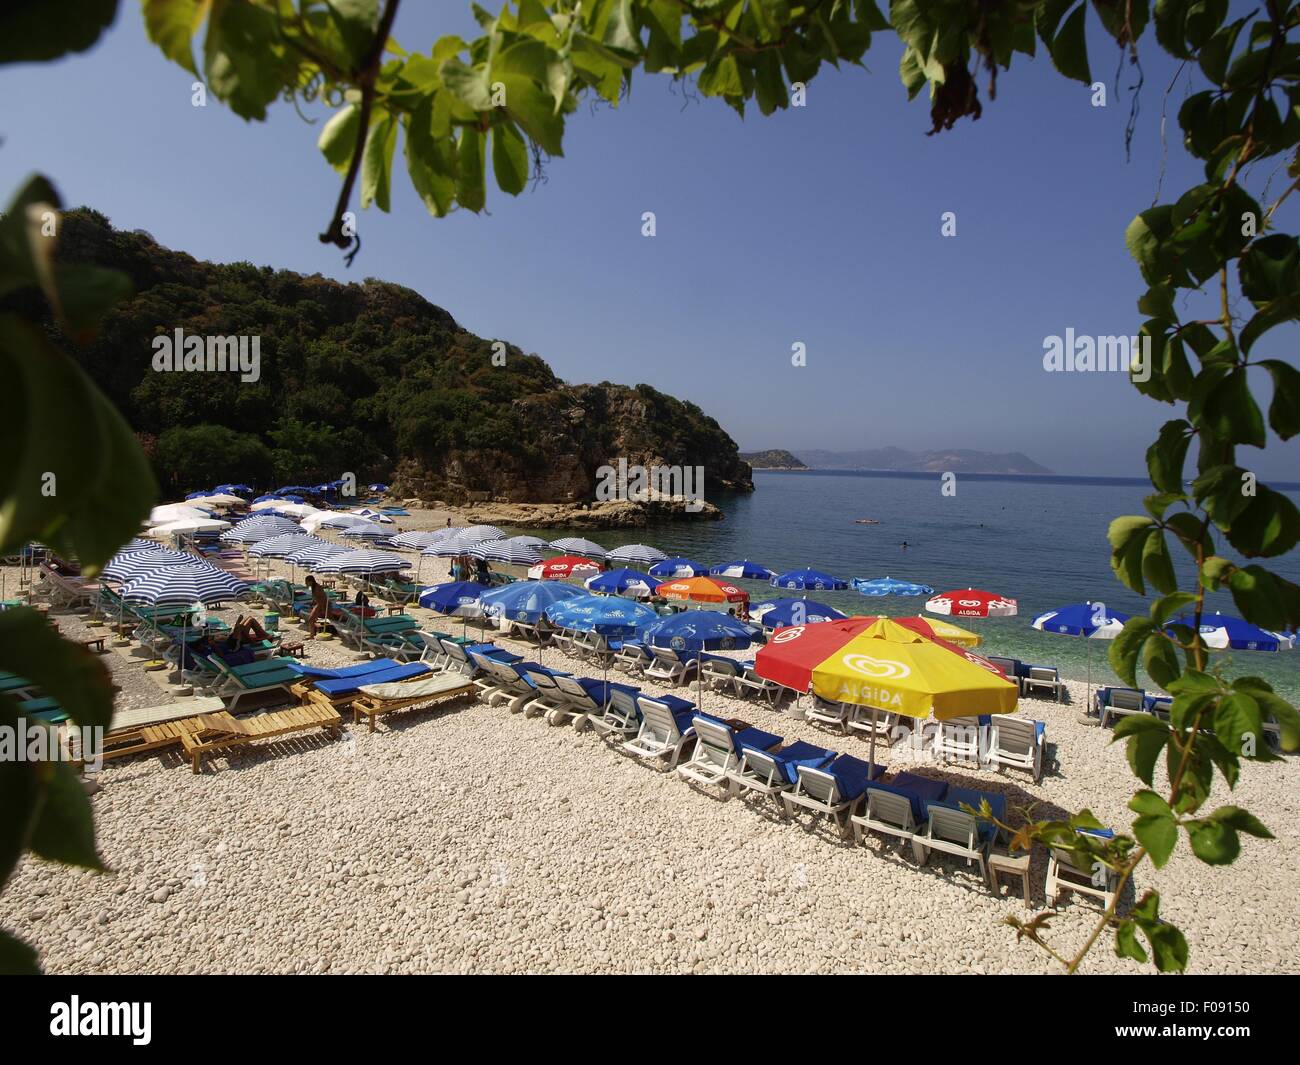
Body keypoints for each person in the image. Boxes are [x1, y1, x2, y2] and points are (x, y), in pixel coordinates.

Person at [305, 574, 330, 638]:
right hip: (319, 605)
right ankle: (312, 633)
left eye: (306, 582)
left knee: (311, 619)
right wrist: (312, 603)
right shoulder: (314, 587)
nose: (305, 583)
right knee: (311, 619)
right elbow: (316, 598)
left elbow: (322, 599)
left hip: (320, 605)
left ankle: (312, 635)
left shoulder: (317, 588)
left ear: (311, 581)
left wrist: (320, 609)